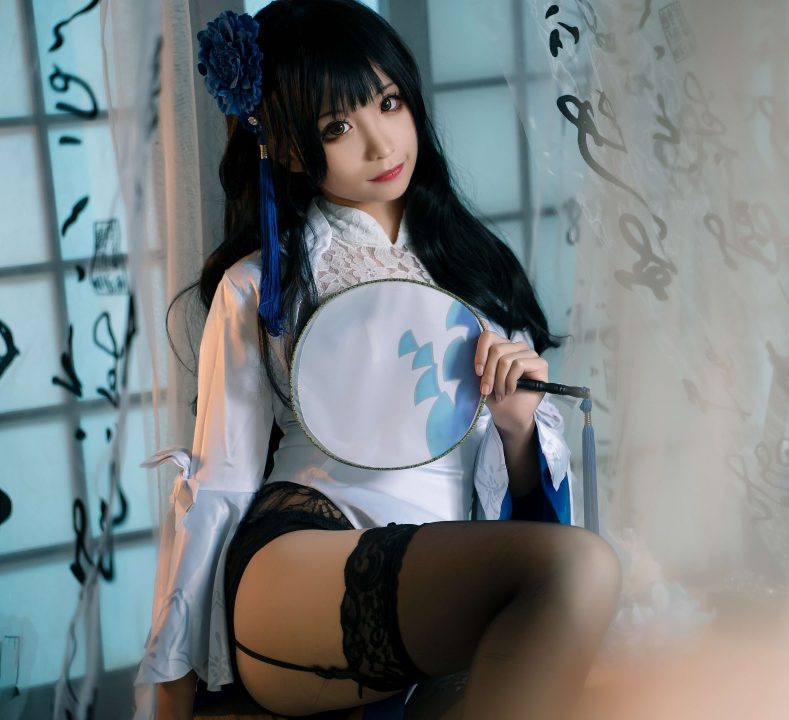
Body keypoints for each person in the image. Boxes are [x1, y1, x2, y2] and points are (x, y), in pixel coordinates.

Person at [133, 1, 621, 718]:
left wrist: (517, 426)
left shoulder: (479, 278)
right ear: (289, 149)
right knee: (581, 568)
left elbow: (520, 504)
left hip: (433, 566)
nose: (380, 142)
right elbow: (219, 489)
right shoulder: (261, 285)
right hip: (298, 555)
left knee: (579, 572)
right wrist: (171, 689)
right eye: (337, 127)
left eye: (388, 102)